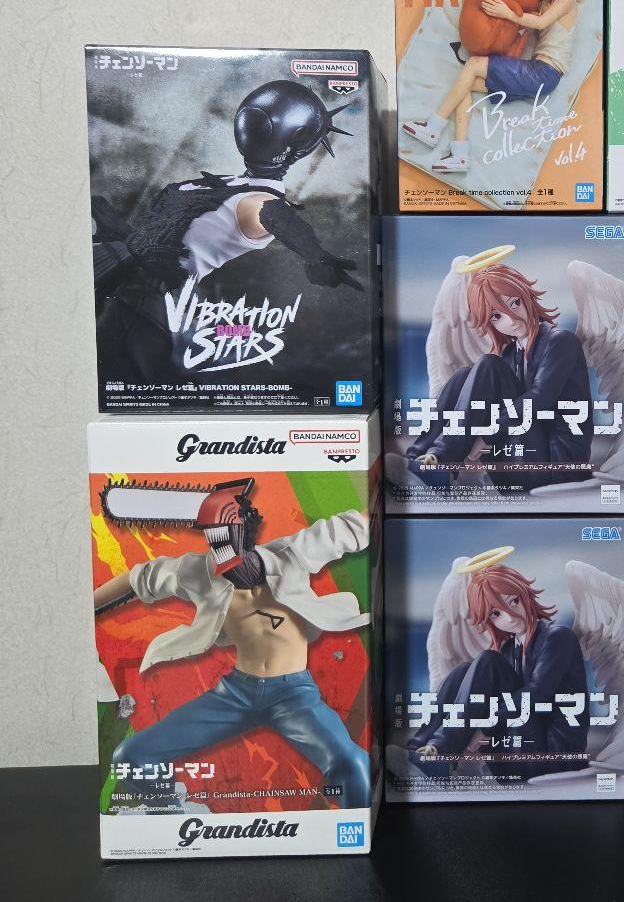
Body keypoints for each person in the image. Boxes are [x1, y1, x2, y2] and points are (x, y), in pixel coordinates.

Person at [94, 483, 371, 810]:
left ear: (244, 534)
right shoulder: (198, 572)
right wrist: (84, 605)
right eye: (214, 542)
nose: (221, 555)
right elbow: (137, 579)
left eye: (226, 542)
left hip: (293, 695)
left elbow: (357, 526)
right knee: (131, 756)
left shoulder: (293, 554)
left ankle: (353, 828)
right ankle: (172, 818)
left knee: (353, 764)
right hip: (236, 694)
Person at [94, 80, 361, 380]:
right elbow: (164, 237)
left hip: (135, 305)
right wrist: (117, 232)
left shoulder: (257, 201)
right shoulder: (227, 185)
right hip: (113, 272)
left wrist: (315, 254)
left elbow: (276, 216)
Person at [389, 259, 594, 493]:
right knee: (463, 375)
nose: (512, 319)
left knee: (488, 364)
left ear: (526, 295)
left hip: (554, 468)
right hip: (516, 460)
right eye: (497, 316)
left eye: (515, 303)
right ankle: (418, 458)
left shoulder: (560, 341)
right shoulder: (510, 353)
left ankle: (441, 462)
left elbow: (539, 398)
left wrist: (487, 434)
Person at [400, 0, 580, 174]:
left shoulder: (567, 0)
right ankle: (460, 153)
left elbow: (540, 23)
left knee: (473, 64)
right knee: (465, 84)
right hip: (537, 74)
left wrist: (507, 13)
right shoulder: (545, 3)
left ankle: (434, 125)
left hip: (544, 74)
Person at [408, 559, 589, 781]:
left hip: (552, 759)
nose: (510, 616)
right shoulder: (509, 649)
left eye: (514, 601)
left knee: (488, 661)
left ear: (525, 594)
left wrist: (486, 727)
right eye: (496, 613)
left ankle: (440, 753)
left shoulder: (558, 637)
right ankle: (418, 751)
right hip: (515, 752)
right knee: (463, 670)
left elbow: (536, 693)